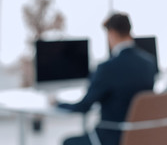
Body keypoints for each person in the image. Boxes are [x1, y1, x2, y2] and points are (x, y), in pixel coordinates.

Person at [56, 13, 157, 145]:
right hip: (139, 137)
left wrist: (58, 103)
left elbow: (83, 106)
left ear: (112, 33)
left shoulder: (107, 68)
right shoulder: (149, 63)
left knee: (68, 142)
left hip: (110, 138)